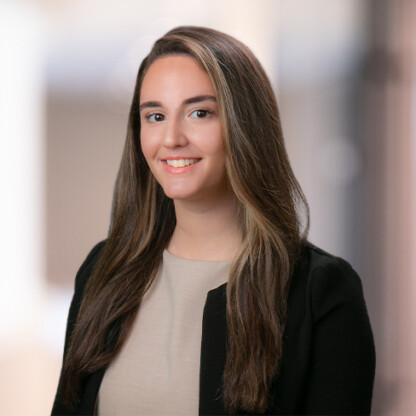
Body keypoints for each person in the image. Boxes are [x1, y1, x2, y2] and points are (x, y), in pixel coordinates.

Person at [51, 26, 375, 415]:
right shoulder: (103, 272)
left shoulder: (319, 292)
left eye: (199, 112)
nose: (171, 138)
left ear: (245, 126)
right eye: (154, 116)